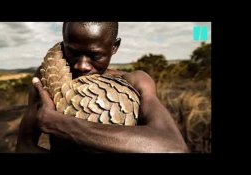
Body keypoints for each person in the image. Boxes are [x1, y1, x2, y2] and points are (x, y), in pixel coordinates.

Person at [16, 22, 188, 153]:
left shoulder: (135, 82)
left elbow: (173, 146)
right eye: (73, 52)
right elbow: (24, 147)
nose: (81, 66)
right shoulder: (47, 79)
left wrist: (59, 123)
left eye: (95, 55)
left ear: (114, 47)